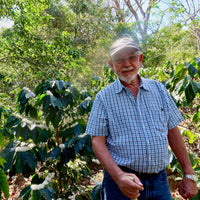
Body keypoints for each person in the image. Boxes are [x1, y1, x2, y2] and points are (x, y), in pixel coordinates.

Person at [85, 38, 198, 200]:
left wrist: (189, 174)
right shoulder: (104, 98)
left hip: (159, 181)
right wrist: (119, 176)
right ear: (111, 65)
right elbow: (97, 141)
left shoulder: (158, 89)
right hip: (121, 184)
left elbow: (172, 131)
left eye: (131, 57)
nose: (127, 64)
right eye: (120, 60)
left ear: (140, 59)